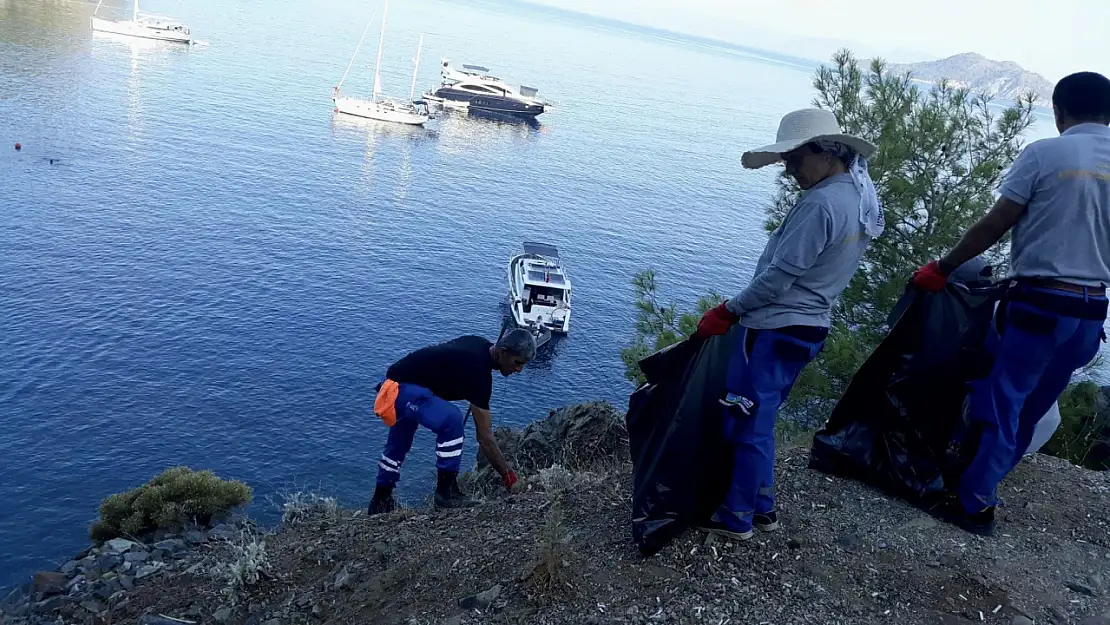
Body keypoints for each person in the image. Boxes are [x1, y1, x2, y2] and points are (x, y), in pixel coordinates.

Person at [912, 71, 1110, 536]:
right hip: (1090, 316)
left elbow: (994, 224)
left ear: (1059, 111)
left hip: (1040, 307)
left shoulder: (1046, 153)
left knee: (1004, 401)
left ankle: (974, 506)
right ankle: (983, 479)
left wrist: (942, 266)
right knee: (1032, 405)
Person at [694, 108, 883, 541]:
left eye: (795, 159)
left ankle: (736, 516)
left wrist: (728, 310)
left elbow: (779, 278)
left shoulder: (820, 204)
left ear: (824, 151)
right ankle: (762, 504)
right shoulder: (857, 196)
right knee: (762, 415)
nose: (790, 170)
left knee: (746, 420)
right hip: (811, 325)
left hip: (775, 326)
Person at [367, 329, 536, 514]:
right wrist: (509, 477)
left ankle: (380, 501)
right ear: (503, 352)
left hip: (398, 385)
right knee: (452, 420)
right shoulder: (478, 372)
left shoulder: (478, 344)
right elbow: (485, 438)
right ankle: (446, 493)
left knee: (398, 445)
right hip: (400, 390)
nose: (519, 369)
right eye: (518, 362)